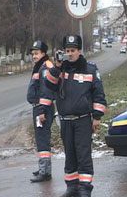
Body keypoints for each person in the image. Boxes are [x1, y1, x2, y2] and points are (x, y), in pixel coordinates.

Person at [45, 35, 107, 197]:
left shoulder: (90, 69)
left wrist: (97, 116)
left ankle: (85, 189)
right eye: (67, 51)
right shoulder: (61, 69)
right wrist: (57, 66)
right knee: (70, 155)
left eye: (73, 50)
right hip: (66, 121)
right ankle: (72, 187)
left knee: (83, 154)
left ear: (80, 51)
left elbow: (99, 95)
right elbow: (49, 85)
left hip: (83, 120)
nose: (70, 54)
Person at [27, 41, 55, 182]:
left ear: (43, 53)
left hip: (43, 108)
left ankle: (45, 172)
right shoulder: (41, 66)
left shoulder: (45, 67)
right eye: (33, 54)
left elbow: (46, 90)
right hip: (40, 107)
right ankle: (44, 169)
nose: (34, 56)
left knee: (43, 139)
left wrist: (42, 110)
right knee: (41, 139)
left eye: (36, 53)